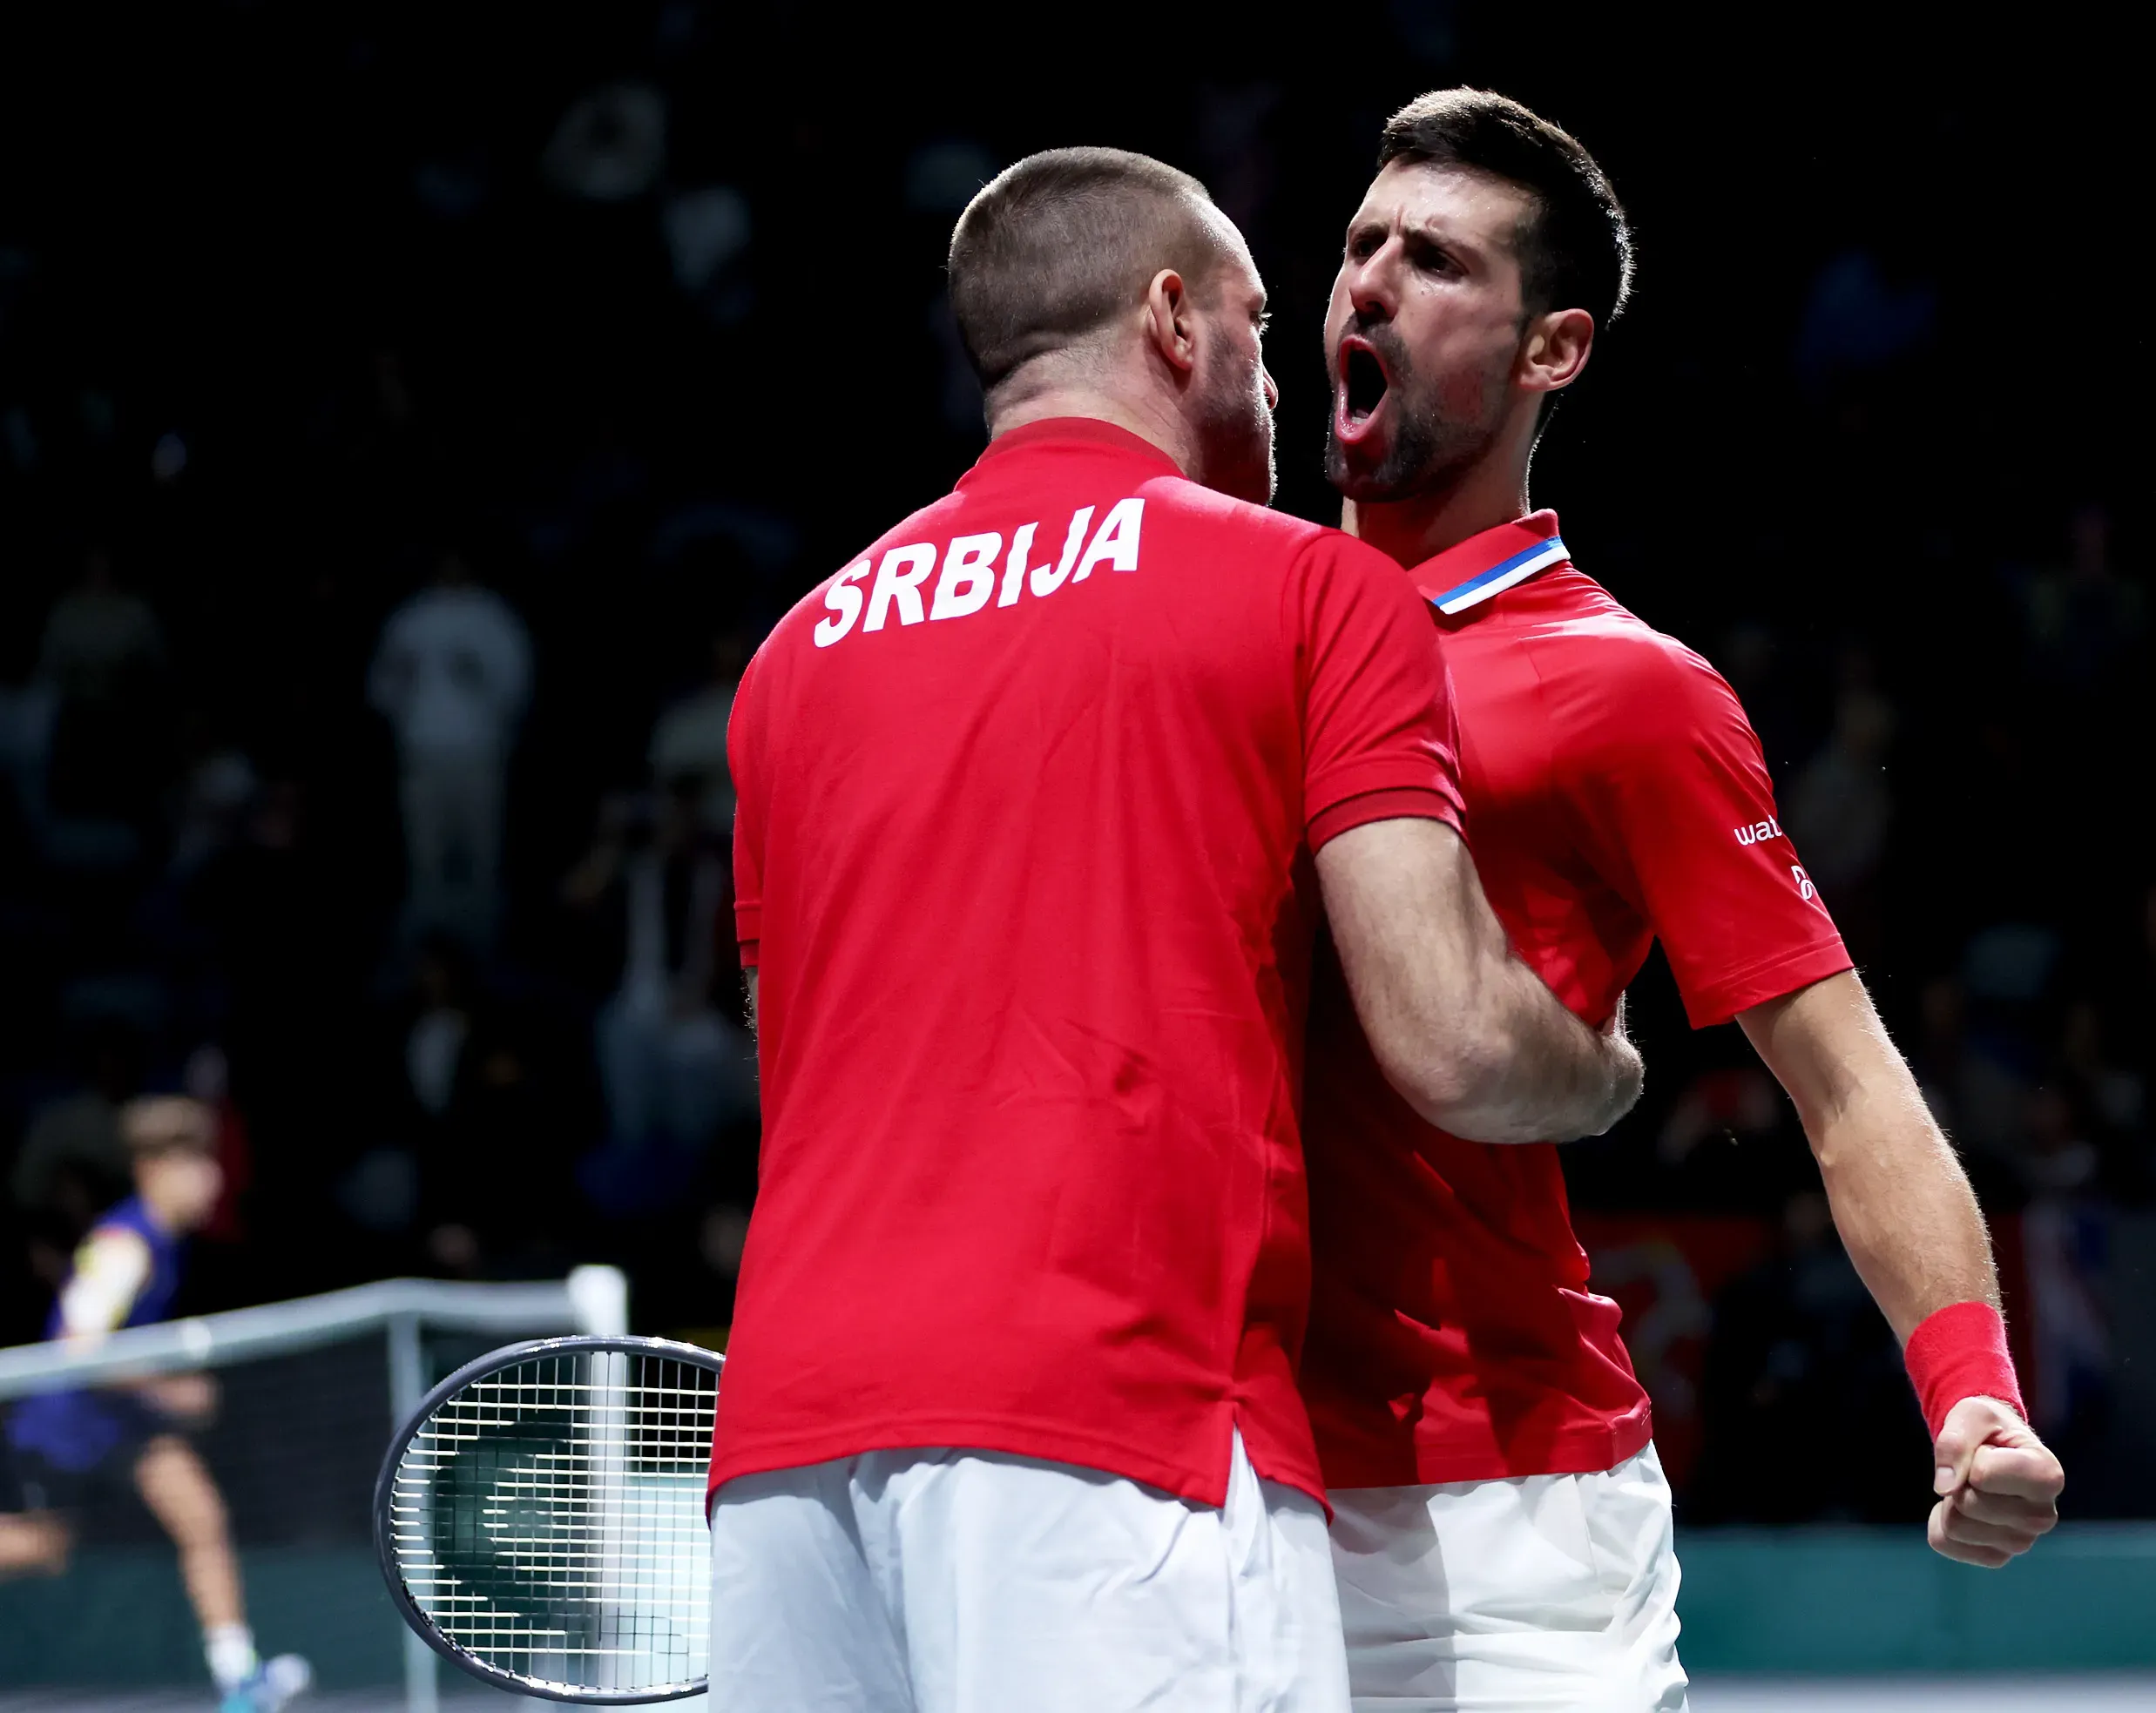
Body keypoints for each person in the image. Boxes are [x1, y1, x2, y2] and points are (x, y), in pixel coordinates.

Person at [706, 146, 1644, 1713]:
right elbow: (1458, 1040)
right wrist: (1601, 1066)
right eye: (1260, 327)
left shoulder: (796, 652)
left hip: (791, 1463)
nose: (1282, 376)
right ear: (1171, 322)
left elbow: (783, 1049)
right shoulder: (1310, 591)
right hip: (1121, 1429)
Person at [1301, 91, 2068, 1711]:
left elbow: (1849, 1088)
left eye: (1433, 261)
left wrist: (1970, 1391)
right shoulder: (1222, 628)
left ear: (1551, 351)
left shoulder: (1627, 693)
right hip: (1213, 1476)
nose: (1367, 283)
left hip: (1496, 1515)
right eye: (1359, 244)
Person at [0, 1097, 310, 1712]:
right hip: (60, 1429)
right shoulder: (124, 1244)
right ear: (154, 1169)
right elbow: (78, 1347)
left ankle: (238, 1680)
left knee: (200, 1513)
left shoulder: (164, 1240)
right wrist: (168, 1389)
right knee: (42, 1549)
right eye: (197, 1164)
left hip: (120, 1425)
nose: (214, 1180)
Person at [367, 552, 532, 949]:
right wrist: (399, 679)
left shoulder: (493, 618)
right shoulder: (411, 618)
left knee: (480, 859)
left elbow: (517, 688)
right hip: (423, 754)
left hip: (477, 754)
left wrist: (479, 675)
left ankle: (482, 950)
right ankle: (427, 959)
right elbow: (380, 688)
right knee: (426, 862)